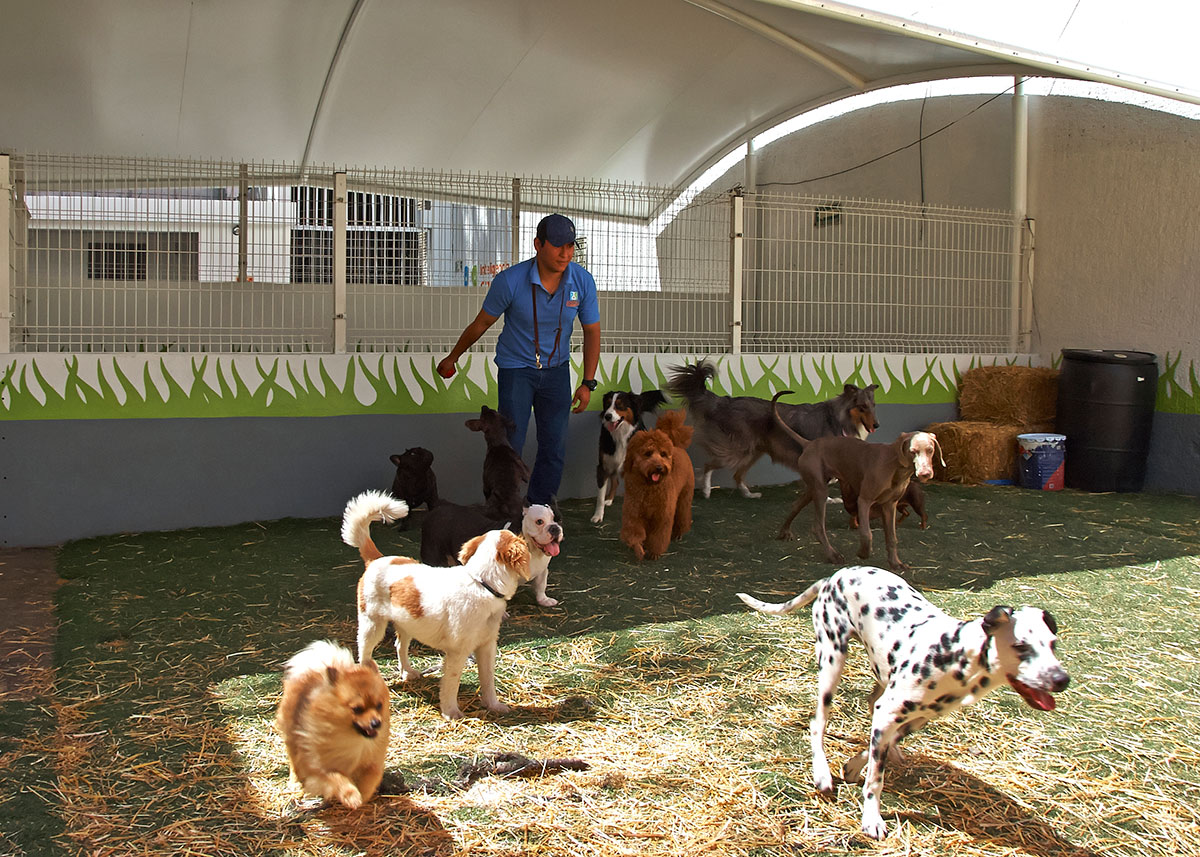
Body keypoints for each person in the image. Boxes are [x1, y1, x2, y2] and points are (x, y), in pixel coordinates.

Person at [437, 213, 601, 506]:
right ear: (538, 244)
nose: (565, 253)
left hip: (557, 371)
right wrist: (453, 357)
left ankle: (540, 509)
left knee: (554, 446)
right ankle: (505, 508)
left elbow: (592, 331)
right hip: (516, 370)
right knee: (510, 444)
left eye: (570, 246)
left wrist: (588, 382)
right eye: (558, 245)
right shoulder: (510, 281)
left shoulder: (582, 281)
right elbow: (482, 323)